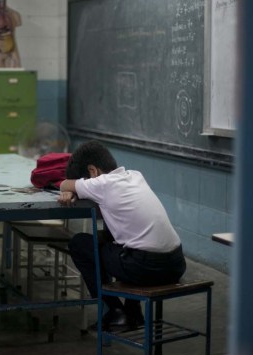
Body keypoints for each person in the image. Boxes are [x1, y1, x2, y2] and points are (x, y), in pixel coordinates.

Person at [58, 141, 186, 331]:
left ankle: (115, 312)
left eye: (85, 180)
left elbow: (63, 184)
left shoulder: (102, 183)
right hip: (176, 264)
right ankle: (133, 312)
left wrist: (73, 189)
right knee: (116, 242)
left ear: (93, 171)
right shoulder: (135, 176)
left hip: (146, 267)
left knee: (80, 244)